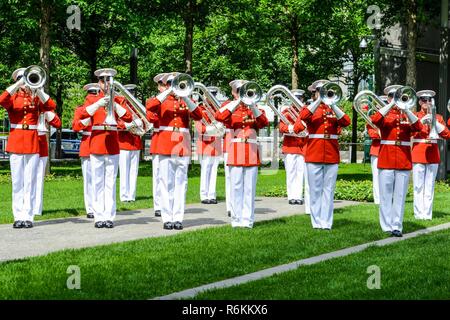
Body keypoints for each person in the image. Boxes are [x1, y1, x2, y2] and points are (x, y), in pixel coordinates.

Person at [0, 67, 57, 228]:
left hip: (32, 142)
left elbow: (51, 105)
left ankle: (28, 216)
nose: (26, 83)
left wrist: (38, 90)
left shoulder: (36, 98)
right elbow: (2, 99)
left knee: (30, 181)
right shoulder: (13, 97)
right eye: (22, 79)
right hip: (16, 141)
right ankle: (18, 216)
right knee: (18, 182)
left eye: (27, 79)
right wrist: (18, 84)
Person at [146, 72, 203, 230]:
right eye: (170, 83)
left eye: (176, 82)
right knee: (166, 183)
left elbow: (199, 115)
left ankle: (178, 217)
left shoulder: (185, 100)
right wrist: (166, 92)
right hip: (165, 144)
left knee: (181, 183)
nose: (174, 86)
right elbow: (149, 107)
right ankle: (167, 218)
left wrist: (185, 97)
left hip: (182, 145)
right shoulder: (161, 100)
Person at [78, 68, 133, 228]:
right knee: (97, 182)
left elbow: (128, 117)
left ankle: (109, 216)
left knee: (110, 182)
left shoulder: (119, 99)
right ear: (98, 83)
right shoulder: (91, 98)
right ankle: (98, 216)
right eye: (103, 80)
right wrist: (98, 104)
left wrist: (114, 105)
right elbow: (82, 115)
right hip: (97, 142)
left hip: (113, 144)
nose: (106, 83)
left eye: (109, 80)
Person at [295, 80, 351, 230]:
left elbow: (346, 121)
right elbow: (303, 116)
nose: (324, 92)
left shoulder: (333, 109)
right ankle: (316, 222)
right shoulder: (311, 108)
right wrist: (319, 100)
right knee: (315, 190)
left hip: (331, 154)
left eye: (326, 90)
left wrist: (332, 104)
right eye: (320, 90)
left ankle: (326, 222)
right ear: (315, 93)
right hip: (314, 154)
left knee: (328, 190)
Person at [371, 85, 424, 237]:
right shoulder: (385, 114)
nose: (396, 98)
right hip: (386, 158)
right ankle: (386, 225)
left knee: (400, 195)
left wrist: (406, 109)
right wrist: (389, 105)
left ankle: (397, 226)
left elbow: (419, 127)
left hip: (403, 159)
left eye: (398, 95)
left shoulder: (408, 115)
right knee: (386, 195)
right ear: (388, 97)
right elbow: (375, 119)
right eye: (392, 95)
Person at [215, 80, 269, 228]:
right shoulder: (230, 107)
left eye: (244, 90)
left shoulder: (254, 108)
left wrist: (252, 104)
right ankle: (236, 219)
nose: (242, 93)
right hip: (236, 149)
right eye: (238, 90)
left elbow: (264, 123)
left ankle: (248, 220)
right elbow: (219, 116)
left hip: (251, 151)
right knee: (236, 186)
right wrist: (237, 102)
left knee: (250, 188)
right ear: (233, 92)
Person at [411, 90, 450, 220]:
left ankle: (427, 214)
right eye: (423, 99)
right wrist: (421, 121)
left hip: (433, 152)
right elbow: (410, 133)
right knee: (418, 186)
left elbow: (446, 134)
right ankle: (418, 214)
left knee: (429, 185)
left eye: (429, 100)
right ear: (419, 101)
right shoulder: (415, 115)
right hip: (418, 152)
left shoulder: (438, 117)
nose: (426, 102)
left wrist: (435, 121)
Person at [72, 83, 99, 218]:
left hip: (100, 143)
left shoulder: (102, 108)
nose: (93, 97)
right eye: (91, 94)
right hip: (87, 144)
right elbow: (75, 126)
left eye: (95, 94)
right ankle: (90, 208)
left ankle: (99, 206)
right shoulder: (81, 109)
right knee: (89, 179)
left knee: (99, 179)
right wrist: (84, 122)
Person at [279, 89, 309, 206]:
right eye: (294, 98)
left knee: (301, 172)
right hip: (290, 145)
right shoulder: (286, 111)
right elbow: (281, 127)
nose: (297, 100)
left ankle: (299, 196)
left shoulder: (306, 112)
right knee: (291, 172)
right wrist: (292, 129)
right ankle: (291, 196)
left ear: (302, 99)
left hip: (303, 146)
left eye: (299, 98)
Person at [195, 86, 222, 204]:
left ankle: (212, 194)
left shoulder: (218, 110)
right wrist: (211, 129)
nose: (211, 98)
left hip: (216, 143)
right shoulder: (200, 109)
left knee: (214, 169)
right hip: (205, 143)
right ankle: (204, 195)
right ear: (205, 96)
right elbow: (199, 128)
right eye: (210, 95)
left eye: (214, 95)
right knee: (205, 169)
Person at [117, 84, 143, 202]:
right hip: (123, 143)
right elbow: (116, 123)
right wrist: (128, 125)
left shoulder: (137, 105)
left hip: (136, 142)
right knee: (124, 171)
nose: (131, 95)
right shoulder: (119, 104)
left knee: (133, 171)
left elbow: (144, 118)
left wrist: (141, 122)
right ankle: (123, 196)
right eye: (129, 93)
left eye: (132, 93)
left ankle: (131, 196)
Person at [34, 110, 62, 217]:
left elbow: (57, 123)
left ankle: (37, 208)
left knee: (39, 177)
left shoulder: (45, 106)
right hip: (27, 140)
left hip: (41, 144)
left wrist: (47, 114)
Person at [146, 73, 166, 217]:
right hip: (159, 140)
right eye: (164, 84)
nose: (167, 87)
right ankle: (158, 205)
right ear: (159, 87)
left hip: (176, 141)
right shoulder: (155, 101)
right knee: (158, 175)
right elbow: (151, 117)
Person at [366, 95, 385, 205]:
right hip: (377, 150)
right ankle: (378, 200)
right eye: (378, 103)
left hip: (388, 151)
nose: (379, 106)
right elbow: (373, 135)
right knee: (377, 176)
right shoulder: (371, 118)